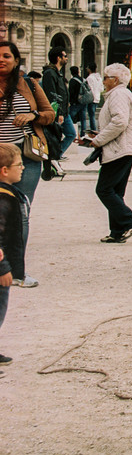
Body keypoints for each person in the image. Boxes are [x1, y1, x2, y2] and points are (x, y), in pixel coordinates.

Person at [0, 41, 55, 288]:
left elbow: (49, 114)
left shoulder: (30, 84)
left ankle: (18, 272)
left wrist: (33, 116)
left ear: (15, 59)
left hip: (24, 158)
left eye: (6, 56)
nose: (1, 60)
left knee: (21, 213)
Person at [80, 62, 132, 243]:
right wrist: (98, 135)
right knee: (116, 191)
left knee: (104, 189)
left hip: (118, 150)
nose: (103, 81)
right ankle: (117, 231)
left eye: (106, 78)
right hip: (125, 148)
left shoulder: (118, 95)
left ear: (115, 80)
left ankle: (130, 221)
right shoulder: (122, 94)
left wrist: (98, 140)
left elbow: (119, 122)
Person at [0, 143, 26, 367]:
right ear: (4, 171)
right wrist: (3, 268)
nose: (23, 168)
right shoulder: (3, 198)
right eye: (19, 165)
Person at [42, 45, 76, 158]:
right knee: (57, 136)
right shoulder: (50, 73)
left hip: (64, 111)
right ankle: (53, 157)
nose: (66, 58)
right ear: (58, 58)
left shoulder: (57, 73)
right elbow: (52, 95)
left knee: (71, 134)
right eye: (65, 56)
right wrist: (59, 113)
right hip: (58, 112)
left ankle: (55, 155)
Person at [68, 65, 91, 137]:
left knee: (69, 117)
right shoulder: (83, 79)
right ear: (78, 71)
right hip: (83, 102)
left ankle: (71, 132)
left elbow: (71, 92)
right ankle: (82, 134)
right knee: (83, 119)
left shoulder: (72, 81)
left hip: (75, 103)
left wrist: (70, 102)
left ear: (71, 72)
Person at [84, 62, 103, 133]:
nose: (86, 69)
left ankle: (93, 129)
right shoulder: (99, 78)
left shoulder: (89, 78)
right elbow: (101, 89)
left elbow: (89, 89)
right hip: (97, 98)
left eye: (87, 67)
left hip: (91, 98)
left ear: (89, 69)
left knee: (91, 115)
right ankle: (94, 129)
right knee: (92, 114)